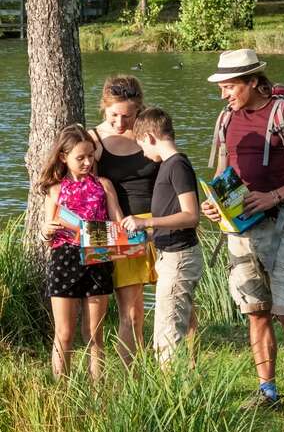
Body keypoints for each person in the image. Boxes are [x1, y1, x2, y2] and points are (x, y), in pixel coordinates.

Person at [202, 48, 284, 416]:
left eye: (230, 86)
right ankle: (267, 391)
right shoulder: (226, 117)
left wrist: (272, 197)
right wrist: (214, 202)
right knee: (256, 311)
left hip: (281, 226)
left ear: (253, 81)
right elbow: (222, 173)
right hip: (239, 231)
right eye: (222, 86)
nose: (224, 94)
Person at [38, 124, 123, 380]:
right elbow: (45, 230)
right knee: (64, 333)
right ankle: (60, 391)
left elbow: (118, 224)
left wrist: (120, 235)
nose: (87, 162)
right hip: (65, 259)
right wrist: (46, 230)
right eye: (80, 158)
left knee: (94, 334)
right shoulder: (55, 190)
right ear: (64, 157)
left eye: (91, 155)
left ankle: (98, 393)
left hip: (97, 257)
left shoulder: (104, 185)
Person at [121, 107, 203, 367]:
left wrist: (147, 221)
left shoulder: (176, 165)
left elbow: (191, 215)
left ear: (151, 137)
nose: (143, 152)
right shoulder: (168, 166)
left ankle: (175, 400)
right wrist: (149, 232)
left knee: (168, 336)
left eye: (141, 144)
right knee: (166, 331)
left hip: (179, 258)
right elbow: (173, 213)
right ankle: (181, 392)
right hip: (168, 254)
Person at [89, 75, 160, 366]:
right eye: (114, 115)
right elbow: (87, 189)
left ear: (139, 110)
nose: (120, 122)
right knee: (132, 313)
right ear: (104, 108)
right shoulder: (93, 139)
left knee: (182, 307)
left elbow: (172, 172)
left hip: (159, 224)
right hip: (118, 230)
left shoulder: (150, 131)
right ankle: (134, 383)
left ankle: (187, 375)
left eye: (128, 116)